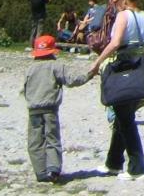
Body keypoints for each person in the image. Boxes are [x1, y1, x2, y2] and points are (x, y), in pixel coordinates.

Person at [87, 0, 144, 179]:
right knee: (122, 116)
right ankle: (113, 162)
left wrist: (97, 61)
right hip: (139, 68)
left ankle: (137, 167)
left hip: (122, 69)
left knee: (125, 120)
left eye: (116, 0)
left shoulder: (124, 16)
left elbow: (115, 43)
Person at [22, 34, 92, 183]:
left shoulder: (30, 68)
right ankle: (53, 170)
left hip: (33, 109)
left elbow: (25, 89)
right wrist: (89, 75)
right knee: (52, 138)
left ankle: (40, 172)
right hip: (50, 109)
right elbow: (72, 80)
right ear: (53, 51)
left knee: (35, 141)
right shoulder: (56, 66)